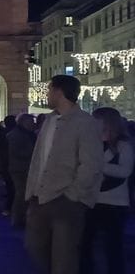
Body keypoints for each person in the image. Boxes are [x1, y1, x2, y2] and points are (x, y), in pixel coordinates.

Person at [24, 75, 103, 274]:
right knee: (34, 246)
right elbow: (39, 159)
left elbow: (91, 164)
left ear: (59, 92)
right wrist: (31, 190)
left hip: (66, 200)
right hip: (40, 197)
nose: (47, 94)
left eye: (49, 89)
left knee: (64, 258)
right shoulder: (49, 120)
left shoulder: (85, 123)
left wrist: (73, 195)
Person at [79, 107, 132, 274]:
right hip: (92, 199)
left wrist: (98, 165)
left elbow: (125, 171)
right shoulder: (93, 142)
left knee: (112, 247)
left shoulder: (124, 145)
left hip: (114, 203)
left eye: (96, 119)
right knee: (84, 244)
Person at [7, 113, 37, 228]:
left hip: (24, 167)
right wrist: (32, 154)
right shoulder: (17, 135)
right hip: (19, 167)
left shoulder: (27, 134)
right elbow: (15, 152)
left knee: (24, 193)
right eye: (30, 122)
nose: (32, 124)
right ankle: (18, 218)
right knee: (21, 193)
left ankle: (21, 217)